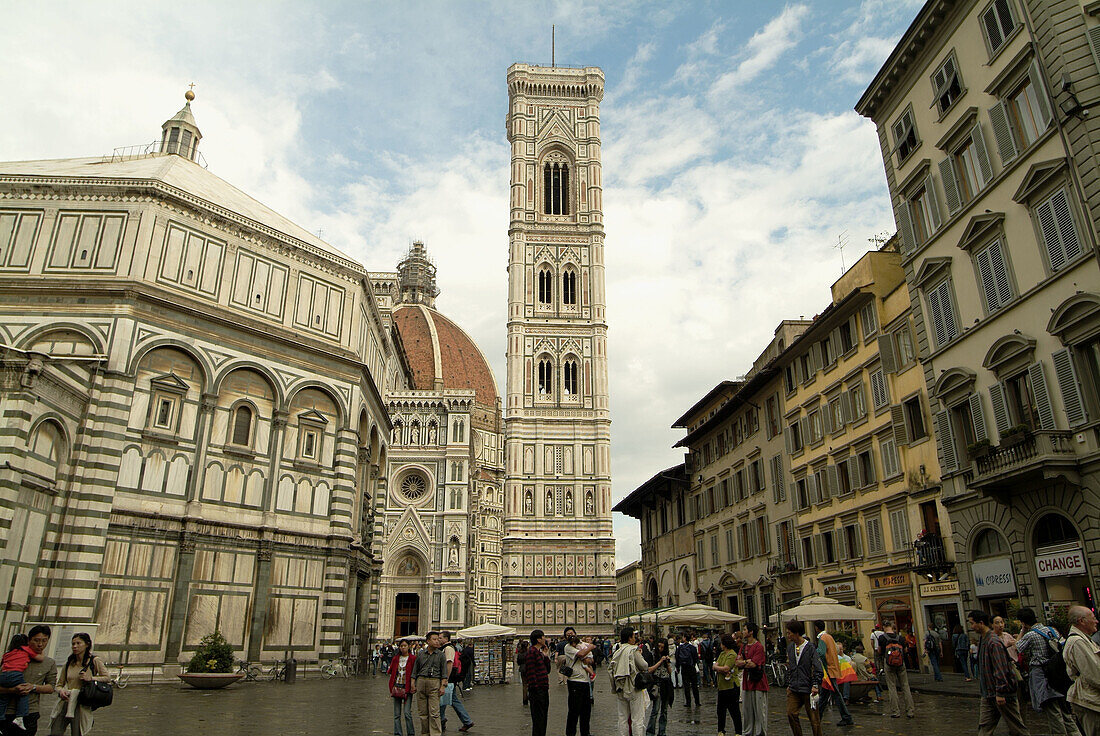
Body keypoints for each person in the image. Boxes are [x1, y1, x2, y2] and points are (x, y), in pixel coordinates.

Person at [1015, 607, 1082, 736]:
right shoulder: (1052, 630)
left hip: (1042, 674)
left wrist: (1022, 631)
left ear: (1023, 622)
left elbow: (1017, 647)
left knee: (1052, 710)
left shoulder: (1031, 635)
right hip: (1058, 674)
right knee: (1065, 710)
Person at [969, 609, 1030, 736]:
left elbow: (1000, 668)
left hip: (1001, 693)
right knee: (984, 728)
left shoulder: (993, 642)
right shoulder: (983, 640)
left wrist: (1000, 692)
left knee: (1017, 727)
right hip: (988, 694)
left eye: (972, 623)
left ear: (981, 623)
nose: (971, 627)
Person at [48, 632, 109, 736]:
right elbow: (59, 684)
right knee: (55, 732)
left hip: (81, 702)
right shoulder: (69, 663)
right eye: (73, 644)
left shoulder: (94, 661)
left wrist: (90, 678)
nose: (75, 646)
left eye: (78, 643)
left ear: (87, 644)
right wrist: (61, 691)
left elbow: (107, 678)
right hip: (65, 701)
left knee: (77, 732)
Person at [0, 625, 54, 736]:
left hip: (30, 713)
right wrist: (12, 690)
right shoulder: (13, 658)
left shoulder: (49, 663)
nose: (40, 644)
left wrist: (33, 687)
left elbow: (50, 687)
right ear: (28, 640)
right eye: (36, 640)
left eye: (44, 641)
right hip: (7, 712)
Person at [610, 627, 657, 736]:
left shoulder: (618, 651)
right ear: (630, 638)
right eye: (634, 636)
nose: (635, 638)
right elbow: (644, 666)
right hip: (633, 686)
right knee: (637, 718)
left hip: (620, 687)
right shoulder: (633, 650)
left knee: (622, 718)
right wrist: (639, 654)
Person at [1063, 605, 1100, 735]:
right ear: (1081, 621)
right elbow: (1095, 675)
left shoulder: (1085, 639)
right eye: (1093, 618)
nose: (1096, 621)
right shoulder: (1077, 642)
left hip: (1092, 700)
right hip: (1090, 702)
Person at [811, 620, 853, 727]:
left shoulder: (822, 638)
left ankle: (846, 717)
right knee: (825, 695)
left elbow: (820, 652)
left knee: (836, 695)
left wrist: (813, 658)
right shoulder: (829, 637)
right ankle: (817, 717)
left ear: (816, 628)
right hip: (832, 668)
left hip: (828, 670)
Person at [785, 620, 823, 736]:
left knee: (814, 720)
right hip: (795, 688)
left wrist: (815, 685)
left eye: (789, 633)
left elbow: (817, 668)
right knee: (791, 713)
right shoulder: (790, 648)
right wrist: (789, 684)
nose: (788, 635)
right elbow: (791, 667)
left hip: (808, 688)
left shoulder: (810, 648)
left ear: (797, 633)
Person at [411, 630, 447, 736]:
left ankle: (435, 733)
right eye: (434, 639)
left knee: (434, 712)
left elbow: (444, 673)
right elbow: (415, 670)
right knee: (422, 712)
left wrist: (442, 686)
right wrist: (413, 683)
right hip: (421, 681)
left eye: (438, 639)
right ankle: (425, 733)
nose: (437, 642)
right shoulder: (421, 654)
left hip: (434, 682)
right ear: (428, 641)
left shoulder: (441, 655)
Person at [877, 621, 915, 719]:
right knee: (905, 686)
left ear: (885, 627)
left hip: (889, 664)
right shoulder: (900, 638)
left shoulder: (882, 638)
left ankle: (895, 711)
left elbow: (879, 651)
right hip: (901, 663)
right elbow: (906, 651)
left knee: (892, 687)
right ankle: (910, 710)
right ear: (892, 627)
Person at [439, 632, 474, 733]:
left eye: (440, 638)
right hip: (449, 679)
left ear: (446, 638)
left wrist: (445, 679)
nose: (439, 640)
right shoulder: (445, 648)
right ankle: (466, 721)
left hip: (449, 679)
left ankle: (442, 721)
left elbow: (449, 664)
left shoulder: (448, 648)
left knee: (444, 700)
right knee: (449, 700)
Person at [737, 623, 769, 736]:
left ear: (751, 632)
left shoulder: (758, 646)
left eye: (745, 629)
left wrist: (744, 662)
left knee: (760, 710)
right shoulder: (743, 646)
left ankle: (760, 733)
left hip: (758, 682)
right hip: (747, 681)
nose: (743, 631)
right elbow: (737, 662)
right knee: (747, 710)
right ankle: (747, 732)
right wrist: (746, 662)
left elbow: (754, 664)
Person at [562, 628, 595, 736]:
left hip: (585, 681)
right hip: (574, 681)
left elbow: (591, 660)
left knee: (586, 711)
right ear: (566, 638)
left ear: (576, 634)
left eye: (571, 633)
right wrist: (590, 647)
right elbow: (581, 655)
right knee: (574, 711)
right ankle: (570, 733)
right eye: (567, 635)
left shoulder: (583, 644)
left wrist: (587, 658)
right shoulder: (568, 647)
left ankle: (585, 733)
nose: (570, 635)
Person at [712, 633, 742, 736]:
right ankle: (721, 730)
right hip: (722, 687)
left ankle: (738, 732)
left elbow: (726, 668)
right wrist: (719, 668)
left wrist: (718, 668)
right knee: (721, 710)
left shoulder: (732, 654)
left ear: (725, 644)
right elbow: (715, 665)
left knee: (734, 710)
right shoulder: (722, 654)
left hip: (731, 686)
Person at [525, 630, 552, 736]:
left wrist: (546, 656)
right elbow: (530, 672)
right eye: (543, 637)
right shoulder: (531, 652)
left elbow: (547, 670)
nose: (545, 638)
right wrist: (535, 689)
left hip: (543, 689)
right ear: (538, 639)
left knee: (543, 717)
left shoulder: (539, 653)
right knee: (538, 719)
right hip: (537, 691)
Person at [388, 640, 417, 736]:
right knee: (396, 714)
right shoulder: (396, 658)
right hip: (397, 687)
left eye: (405, 646)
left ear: (409, 646)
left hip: (407, 688)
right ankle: (397, 733)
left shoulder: (413, 658)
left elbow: (415, 672)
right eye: (401, 646)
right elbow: (391, 671)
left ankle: (411, 733)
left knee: (407, 713)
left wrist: (414, 684)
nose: (403, 647)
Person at [645, 639, 673, 736]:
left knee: (664, 711)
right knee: (655, 710)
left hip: (666, 684)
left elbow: (670, 672)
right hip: (657, 683)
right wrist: (660, 661)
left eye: (662, 647)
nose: (660, 649)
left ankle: (662, 732)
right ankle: (650, 731)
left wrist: (668, 663)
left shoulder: (666, 656)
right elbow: (649, 670)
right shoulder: (652, 655)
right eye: (659, 646)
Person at [674, 634, 700, 707]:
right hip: (691, 667)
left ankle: (688, 702)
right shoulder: (692, 648)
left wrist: (678, 667)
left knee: (686, 685)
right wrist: (693, 664)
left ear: (685, 638)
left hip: (684, 667)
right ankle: (697, 701)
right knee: (694, 685)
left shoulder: (680, 647)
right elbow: (696, 658)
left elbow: (677, 657)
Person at [515, 640, 530, 706]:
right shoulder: (529, 653)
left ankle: (525, 699)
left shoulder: (520, 653)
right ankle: (529, 696)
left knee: (524, 685)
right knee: (529, 684)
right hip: (529, 669)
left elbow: (518, 662)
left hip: (522, 669)